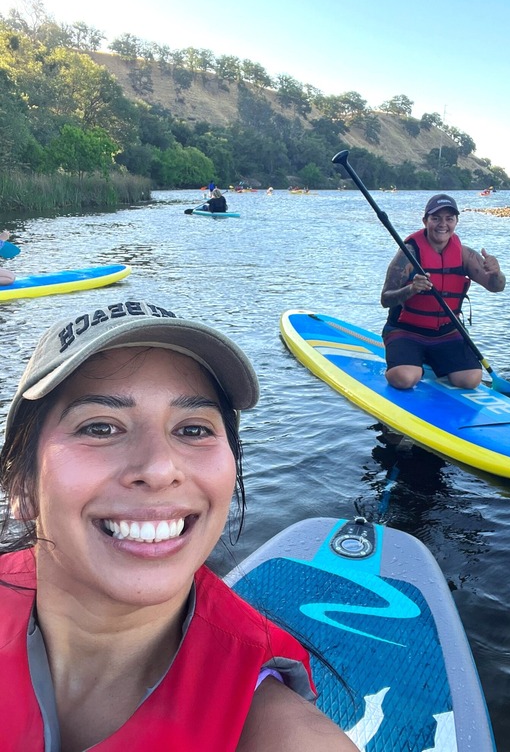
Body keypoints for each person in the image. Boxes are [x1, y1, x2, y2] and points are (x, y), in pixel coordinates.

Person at [0, 299, 357, 752]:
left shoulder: (286, 736)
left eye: (193, 429)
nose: (159, 467)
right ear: (22, 485)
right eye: (101, 427)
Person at [380, 194, 506, 391]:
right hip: (407, 331)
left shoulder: (465, 254)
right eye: (436, 218)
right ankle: (409, 363)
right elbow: (386, 299)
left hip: (447, 332)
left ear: (456, 221)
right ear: (425, 221)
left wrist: (497, 273)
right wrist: (411, 289)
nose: (443, 224)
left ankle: (428, 359)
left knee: (471, 379)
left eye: (449, 218)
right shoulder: (409, 253)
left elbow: (497, 287)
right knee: (404, 379)